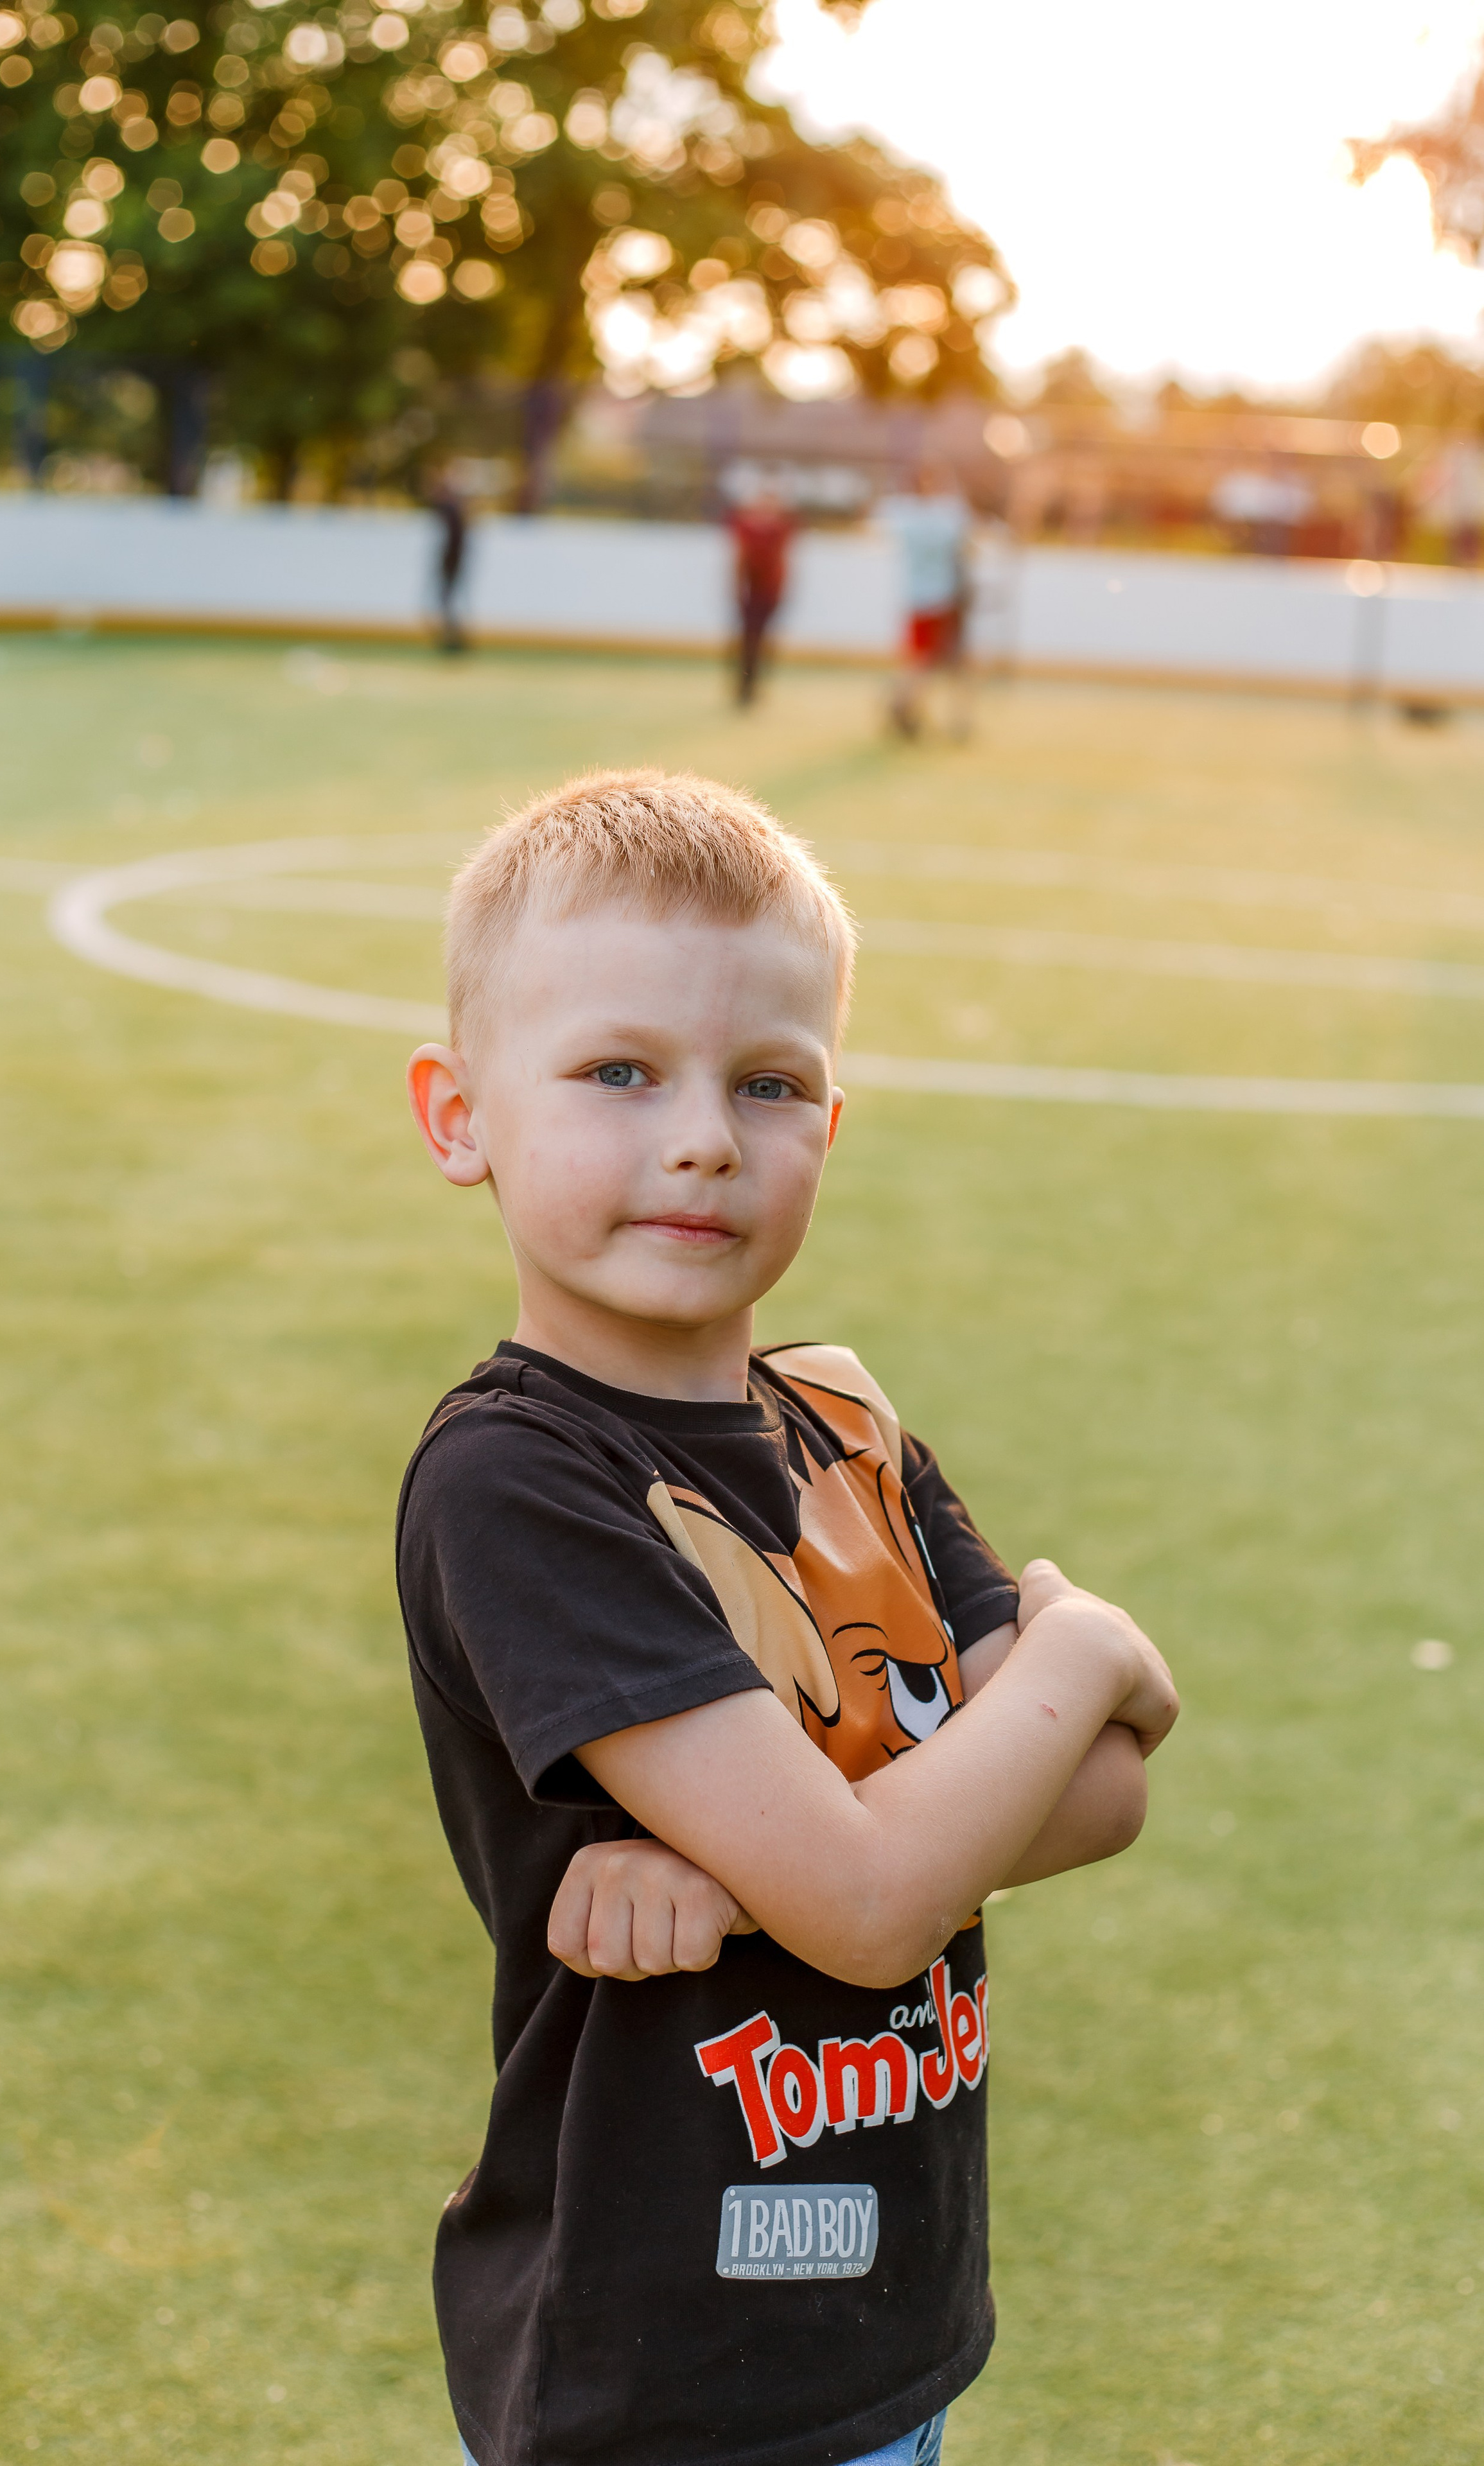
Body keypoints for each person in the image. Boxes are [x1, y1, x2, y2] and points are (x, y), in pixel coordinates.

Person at [398, 771, 1179, 2466]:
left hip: (882, 2317)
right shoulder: (523, 1478)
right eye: (620, 1072)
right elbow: (882, 1900)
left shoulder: (841, 1419)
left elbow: (1105, 1797)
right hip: (656, 2361)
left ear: (831, 1119)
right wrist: (1084, 1651)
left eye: (771, 1083)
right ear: (459, 1115)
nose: (701, 1136)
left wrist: (754, 1885)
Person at [878, 464, 974, 742]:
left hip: (915, 597)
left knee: (921, 660)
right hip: (944, 598)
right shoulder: (948, 516)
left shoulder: (903, 516)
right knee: (943, 662)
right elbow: (966, 542)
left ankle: (905, 707)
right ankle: (909, 709)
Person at [728, 480, 794, 706]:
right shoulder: (745, 526)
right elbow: (739, 559)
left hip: (770, 592)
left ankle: (756, 687)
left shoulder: (781, 528)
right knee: (747, 639)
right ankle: (743, 687)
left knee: (764, 640)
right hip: (750, 592)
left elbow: (784, 561)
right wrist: (737, 589)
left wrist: (784, 590)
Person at [428, 463, 471, 655]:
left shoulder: (451, 510)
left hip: (452, 562)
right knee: (448, 602)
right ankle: (453, 640)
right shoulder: (454, 510)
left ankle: (453, 641)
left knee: (448, 602)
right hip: (453, 561)